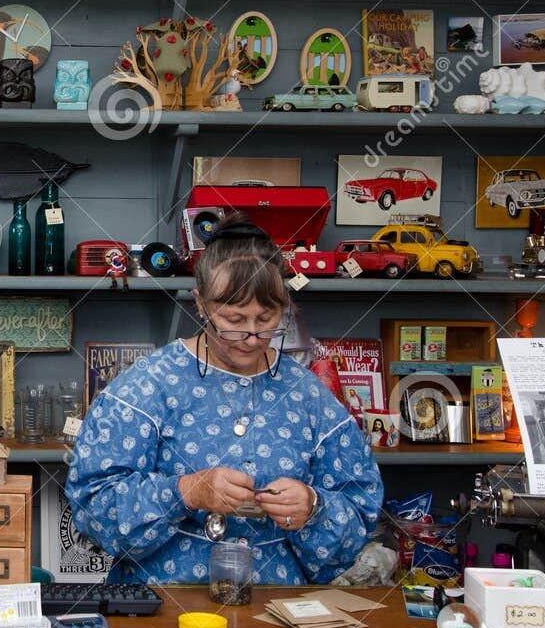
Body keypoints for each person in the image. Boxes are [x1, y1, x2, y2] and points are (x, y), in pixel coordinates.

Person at [66, 218, 383, 585]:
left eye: (266, 320)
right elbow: (93, 509)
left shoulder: (307, 395)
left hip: (277, 616)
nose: (251, 337)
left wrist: (314, 507)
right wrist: (184, 491)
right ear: (200, 303)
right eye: (233, 320)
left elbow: (359, 513)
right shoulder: (146, 387)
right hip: (164, 613)